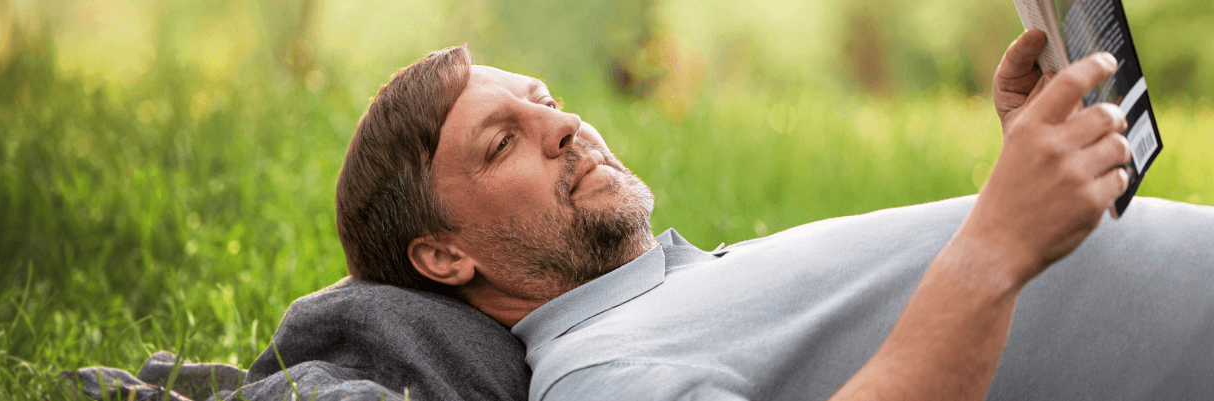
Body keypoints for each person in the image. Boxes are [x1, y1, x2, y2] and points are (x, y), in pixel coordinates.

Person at [334, 29, 1214, 400]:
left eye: (549, 100)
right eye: (502, 142)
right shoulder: (595, 370)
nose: (564, 125)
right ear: (443, 256)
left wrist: (1027, 183)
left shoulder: (687, 286)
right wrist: (996, 246)